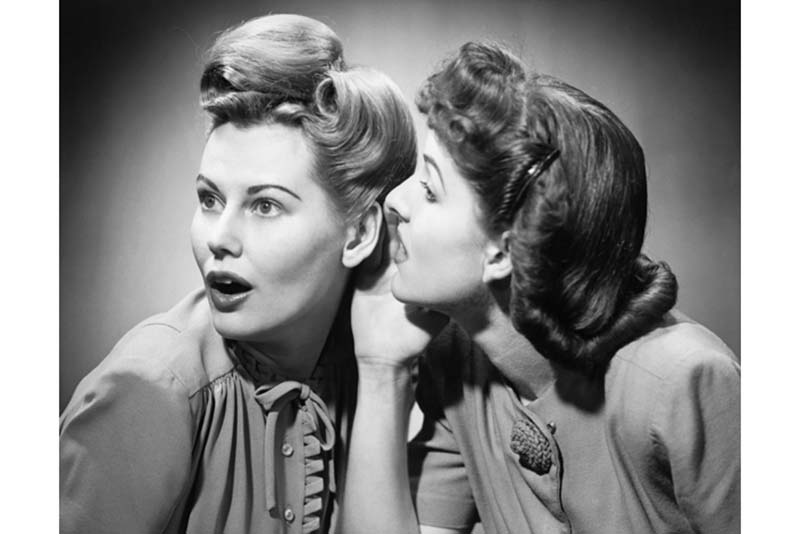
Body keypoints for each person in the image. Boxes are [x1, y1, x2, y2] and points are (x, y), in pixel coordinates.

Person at [343, 42, 740, 534]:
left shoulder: (683, 381)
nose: (396, 203)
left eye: (429, 189)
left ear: (503, 250)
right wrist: (380, 370)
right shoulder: (460, 366)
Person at [59, 14, 416, 534]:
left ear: (359, 233)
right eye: (210, 199)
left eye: (265, 205)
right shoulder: (150, 389)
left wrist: (384, 373)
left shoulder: (364, 360)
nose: (218, 237)